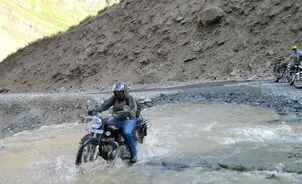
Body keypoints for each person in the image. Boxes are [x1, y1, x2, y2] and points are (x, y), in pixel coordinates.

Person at [89, 80, 138, 163]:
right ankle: (104, 146)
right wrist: (96, 110)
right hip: (116, 118)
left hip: (128, 119)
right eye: (116, 92)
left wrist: (126, 112)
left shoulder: (130, 98)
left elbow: (132, 110)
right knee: (103, 126)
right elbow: (105, 105)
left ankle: (134, 155)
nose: (118, 94)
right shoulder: (114, 98)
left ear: (124, 92)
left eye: (120, 92)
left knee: (127, 133)